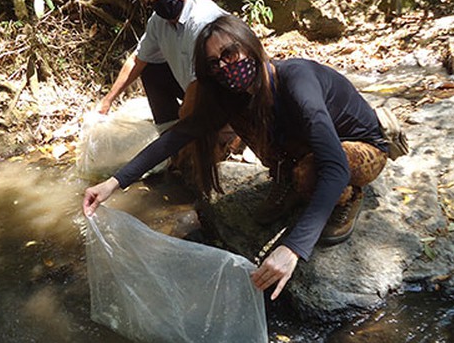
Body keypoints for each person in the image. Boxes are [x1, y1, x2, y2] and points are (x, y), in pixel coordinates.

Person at [84, 15, 388, 301]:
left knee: (312, 176)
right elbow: (179, 135)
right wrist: (114, 182)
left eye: (230, 53)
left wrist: (293, 248)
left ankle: (349, 196)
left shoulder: (297, 80)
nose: (225, 67)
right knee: (245, 125)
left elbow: (334, 166)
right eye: (214, 64)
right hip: (310, 146)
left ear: (250, 45)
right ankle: (289, 180)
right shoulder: (236, 96)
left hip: (360, 145)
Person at [98, 0, 227, 130]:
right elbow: (137, 60)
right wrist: (107, 101)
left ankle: (191, 137)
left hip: (222, 92)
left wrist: (183, 128)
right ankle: (168, 131)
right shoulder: (158, 22)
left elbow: (198, 82)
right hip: (193, 86)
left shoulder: (201, 21)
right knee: (151, 70)